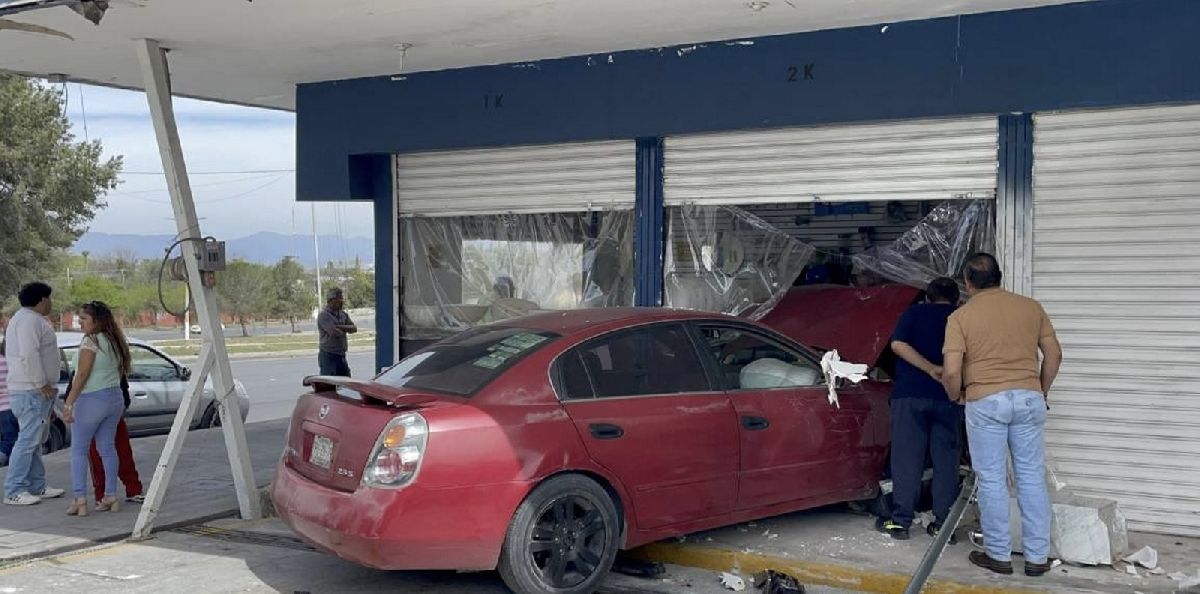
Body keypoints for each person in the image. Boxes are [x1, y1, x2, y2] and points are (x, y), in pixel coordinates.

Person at [941, 253, 1063, 577]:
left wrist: (957, 396)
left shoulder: (960, 317)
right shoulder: (1030, 307)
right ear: (1000, 276)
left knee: (992, 480)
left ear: (967, 282)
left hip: (985, 401)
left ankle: (999, 556)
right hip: (1028, 399)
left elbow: (952, 371)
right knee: (1030, 478)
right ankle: (1037, 557)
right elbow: (1054, 354)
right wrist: (1041, 390)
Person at [879, 277, 963, 541]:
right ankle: (942, 525)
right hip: (949, 397)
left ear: (927, 297)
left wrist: (928, 369)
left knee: (907, 459)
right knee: (946, 461)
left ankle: (901, 522)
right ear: (957, 299)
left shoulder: (913, 313)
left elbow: (897, 344)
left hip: (910, 396)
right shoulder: (960, 317)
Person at [62, 301, 132, 516]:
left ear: (96, 320)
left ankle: (79, 498)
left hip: (91, 399)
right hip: (114, 398)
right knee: (107, 448)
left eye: (83, 319)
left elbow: (81, 375)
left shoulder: (90, 341)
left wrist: (69, 403)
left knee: (79, 450)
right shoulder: (115, 340)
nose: (79, 322)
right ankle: (110, 495)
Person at [3, 282, 66, 506]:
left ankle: (37, 485)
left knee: (35, 440)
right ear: (41, 300)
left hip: (32, 389)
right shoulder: (29, 320)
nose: (51, 303)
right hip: (31, 390)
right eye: (49, 298)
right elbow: (28, 355)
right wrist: (41, 383)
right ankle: (14, 489)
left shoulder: (26, 319)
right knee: (28, 440)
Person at [87, 375, 144, 504]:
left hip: (113, 409)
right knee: (97, 455)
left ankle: (133, 489)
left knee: (123, 452)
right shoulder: (86, 359)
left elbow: (122, 383)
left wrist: (124, 402)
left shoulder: (115, 361)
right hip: (92, 411)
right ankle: (101, 493)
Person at [317, 288, 357, 377]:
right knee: (329, 382)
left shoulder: (342, 314)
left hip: (341, 354)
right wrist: (346, 329)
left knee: (346, 381)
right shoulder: (324, 315)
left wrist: (339, 326)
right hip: (328, 354)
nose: (340, 302)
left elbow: (354, 328)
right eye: (338, 300)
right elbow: (335, 333)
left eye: (341, 300)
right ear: (331, 300)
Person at [1, 338, 17, 467]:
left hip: (1, 409)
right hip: (15, 405)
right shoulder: (10, 362)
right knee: (17, 440)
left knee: (8, 438)